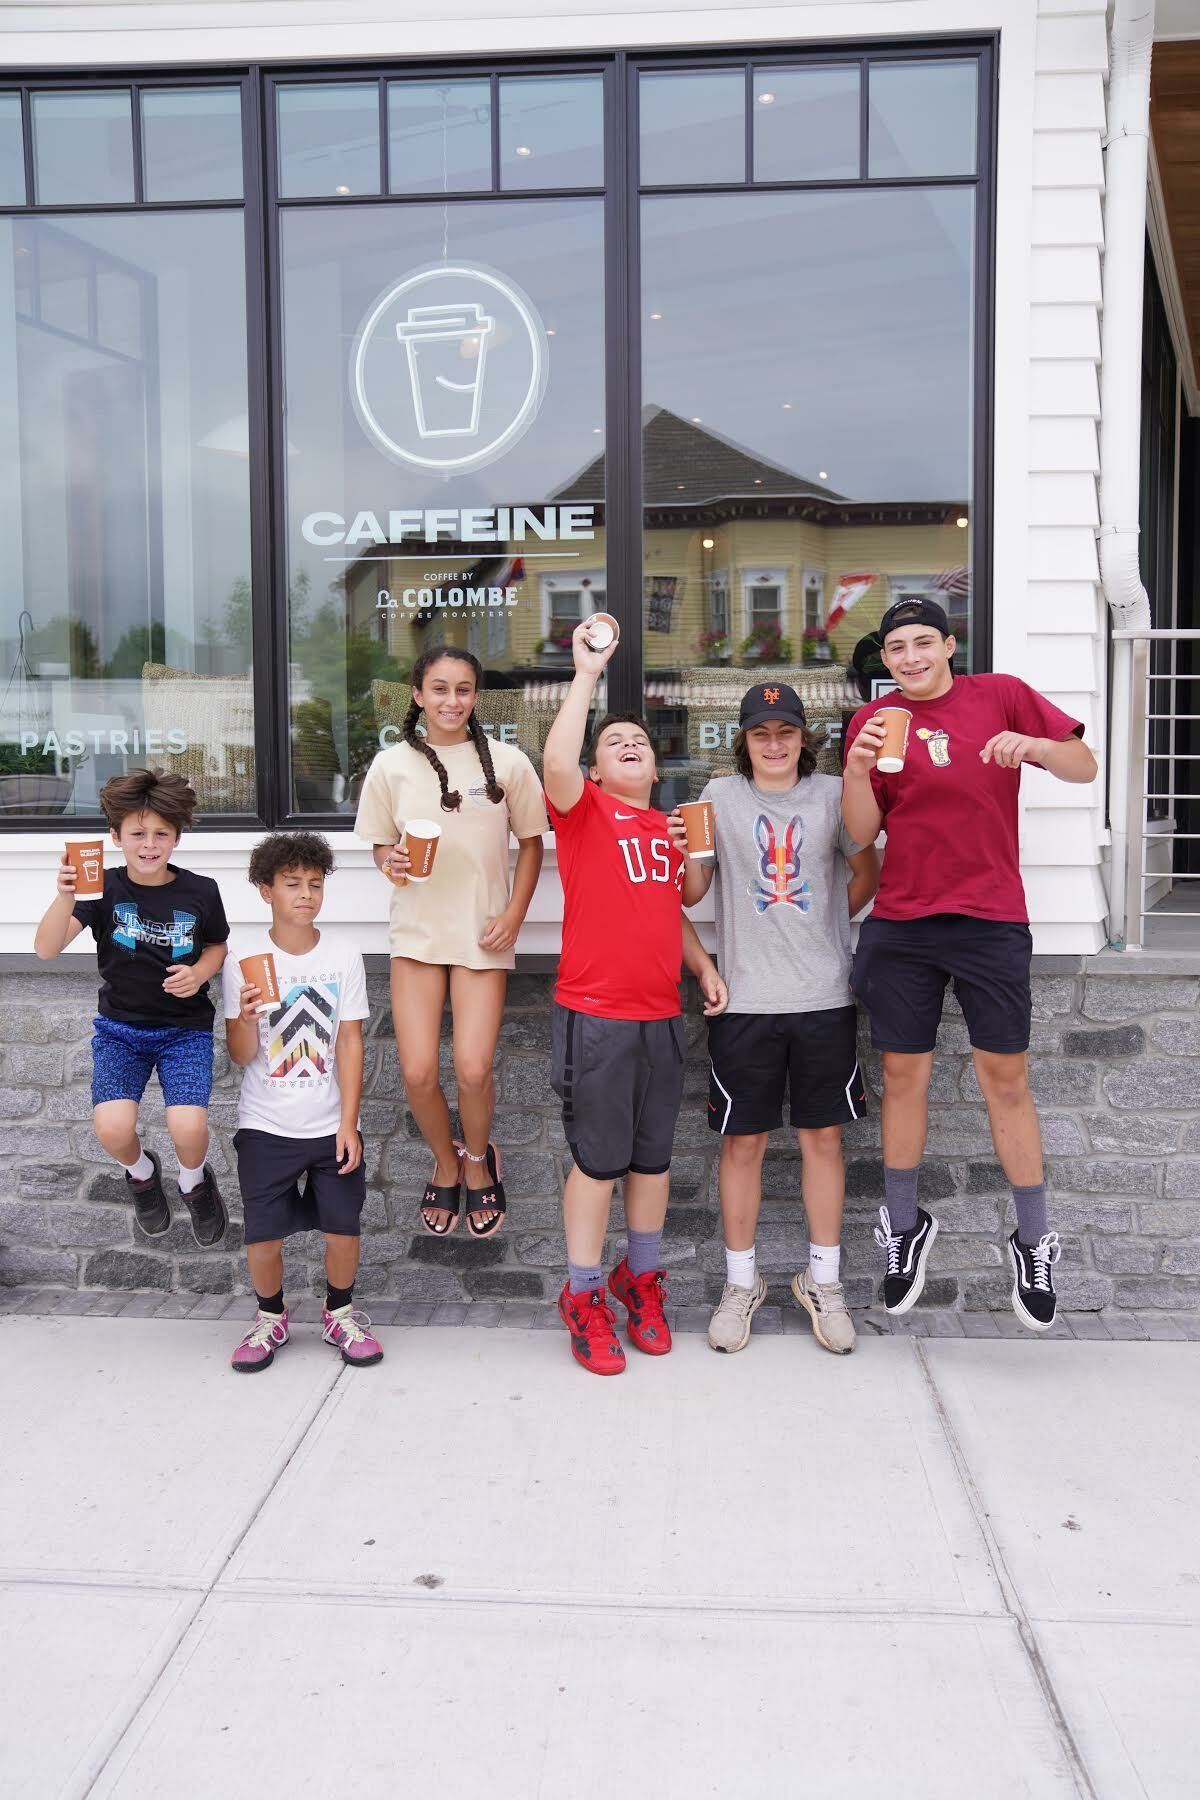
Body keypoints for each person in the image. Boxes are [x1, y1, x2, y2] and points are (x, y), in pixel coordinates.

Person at [842, 597, 1097, 1330]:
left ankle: (1032, 1237)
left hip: (989, 918)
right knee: (902, 1074)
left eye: (925, 642)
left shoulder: (1002, 695)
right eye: (897, 649)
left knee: (1005, 1077)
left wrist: (1037, 747)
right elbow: (861, 833)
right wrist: (858, 771)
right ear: (885, 661)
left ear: (950, 645)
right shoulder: (874, 722)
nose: (912, 657)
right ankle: (902, 1227)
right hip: (903, 922)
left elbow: (1084, 766)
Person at [670, 682, 879, 1356]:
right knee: (743, 1145)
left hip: (822, 996)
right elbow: (694, 891)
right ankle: (740, 1284)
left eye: (785, 731)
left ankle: (824, 1281)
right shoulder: (718, 796)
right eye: (761, 733)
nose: (775, 743)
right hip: (746, 999)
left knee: (823, 1142)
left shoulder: (828, 796)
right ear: (744, 740)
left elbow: (865, 869)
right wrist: (683, 851)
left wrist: (822, 925)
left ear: (802, 736)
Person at [543, 621, 728, 1376]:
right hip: (598, 1015)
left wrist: (703, 966)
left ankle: (639, 1279)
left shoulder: (662, 825)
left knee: (651, 1162)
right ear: (595, 765)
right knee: (598, 1159)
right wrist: (587, 676)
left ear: (656, 771)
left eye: (641, 744)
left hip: (660, 1016)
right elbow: (554, 759)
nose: (629, 745)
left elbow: (679, 901)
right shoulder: (583, 811)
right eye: (614, 741)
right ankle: (583, 1291)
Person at [354, 643, 547, 1238]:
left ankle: (478, 1160)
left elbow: (533, 842)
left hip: (482, 932)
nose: (451, 700)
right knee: (416, 1072)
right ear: (417, 695)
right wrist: (393, 864)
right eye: (438, 688)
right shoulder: (390, 766)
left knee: (472, 1067)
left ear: (476, 696)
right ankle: (444, 1160)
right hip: (417, 932)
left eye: (463, 689)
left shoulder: (509, 762)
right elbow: (381, 846)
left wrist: (515, 912)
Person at [33, 769, 228, 1247]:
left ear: (177, 837)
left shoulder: (200, 891)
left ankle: (194, 1183)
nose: (149, 844)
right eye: (138, 833)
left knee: (189, 1126)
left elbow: (217, 945)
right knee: (113, 1128)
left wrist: (200, 973)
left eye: (161, 833)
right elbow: (46, 949)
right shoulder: (102, 889)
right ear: (115, 836)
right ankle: (142, 1176)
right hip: (121, 1031)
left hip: (185, 1031)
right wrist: (66, 896)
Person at [225, 832, 381, 1372]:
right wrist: (246, 1018)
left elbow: (351, 1041)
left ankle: (340, 1311)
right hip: (265, 1123)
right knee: (263, 1236)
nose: (306, 894)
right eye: (292, 884)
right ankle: (272, 1317)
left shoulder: (342, 954)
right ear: (265, 890)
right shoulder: (246, 958)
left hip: (328, 1123)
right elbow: (240, 1054)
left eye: (315, 884)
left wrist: (349, 1122)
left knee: (344, 1226)